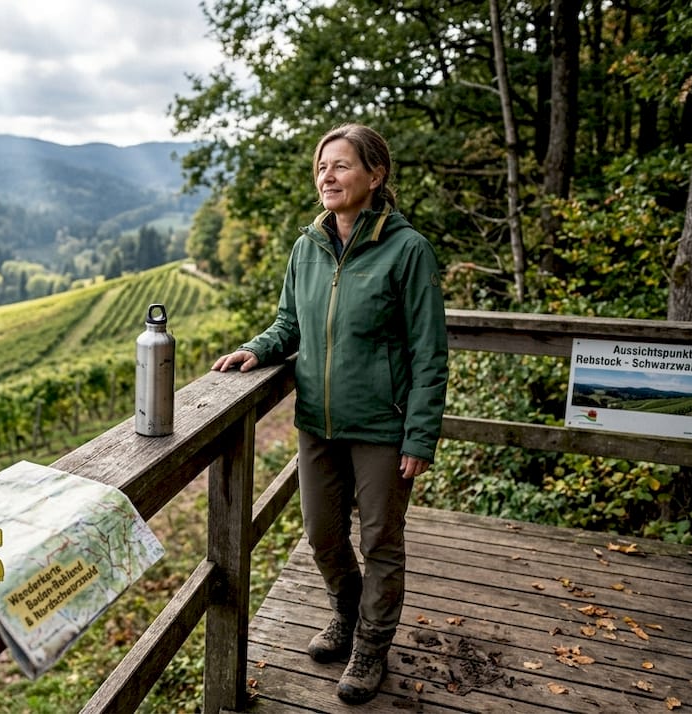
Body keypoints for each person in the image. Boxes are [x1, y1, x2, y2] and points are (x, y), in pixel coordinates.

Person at [212, 123, 448, 704]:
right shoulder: (307, 247)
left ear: (376, 175)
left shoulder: (407, 249)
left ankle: (371, 647)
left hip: (382, 426)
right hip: (317, 421)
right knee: (321, 535)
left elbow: (429, 351)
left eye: (341, 166)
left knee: (382, 542)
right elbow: (290, 322)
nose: (328, 176)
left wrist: (420, 435)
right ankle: (348, 614)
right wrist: (260, 349)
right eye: (322, 167)